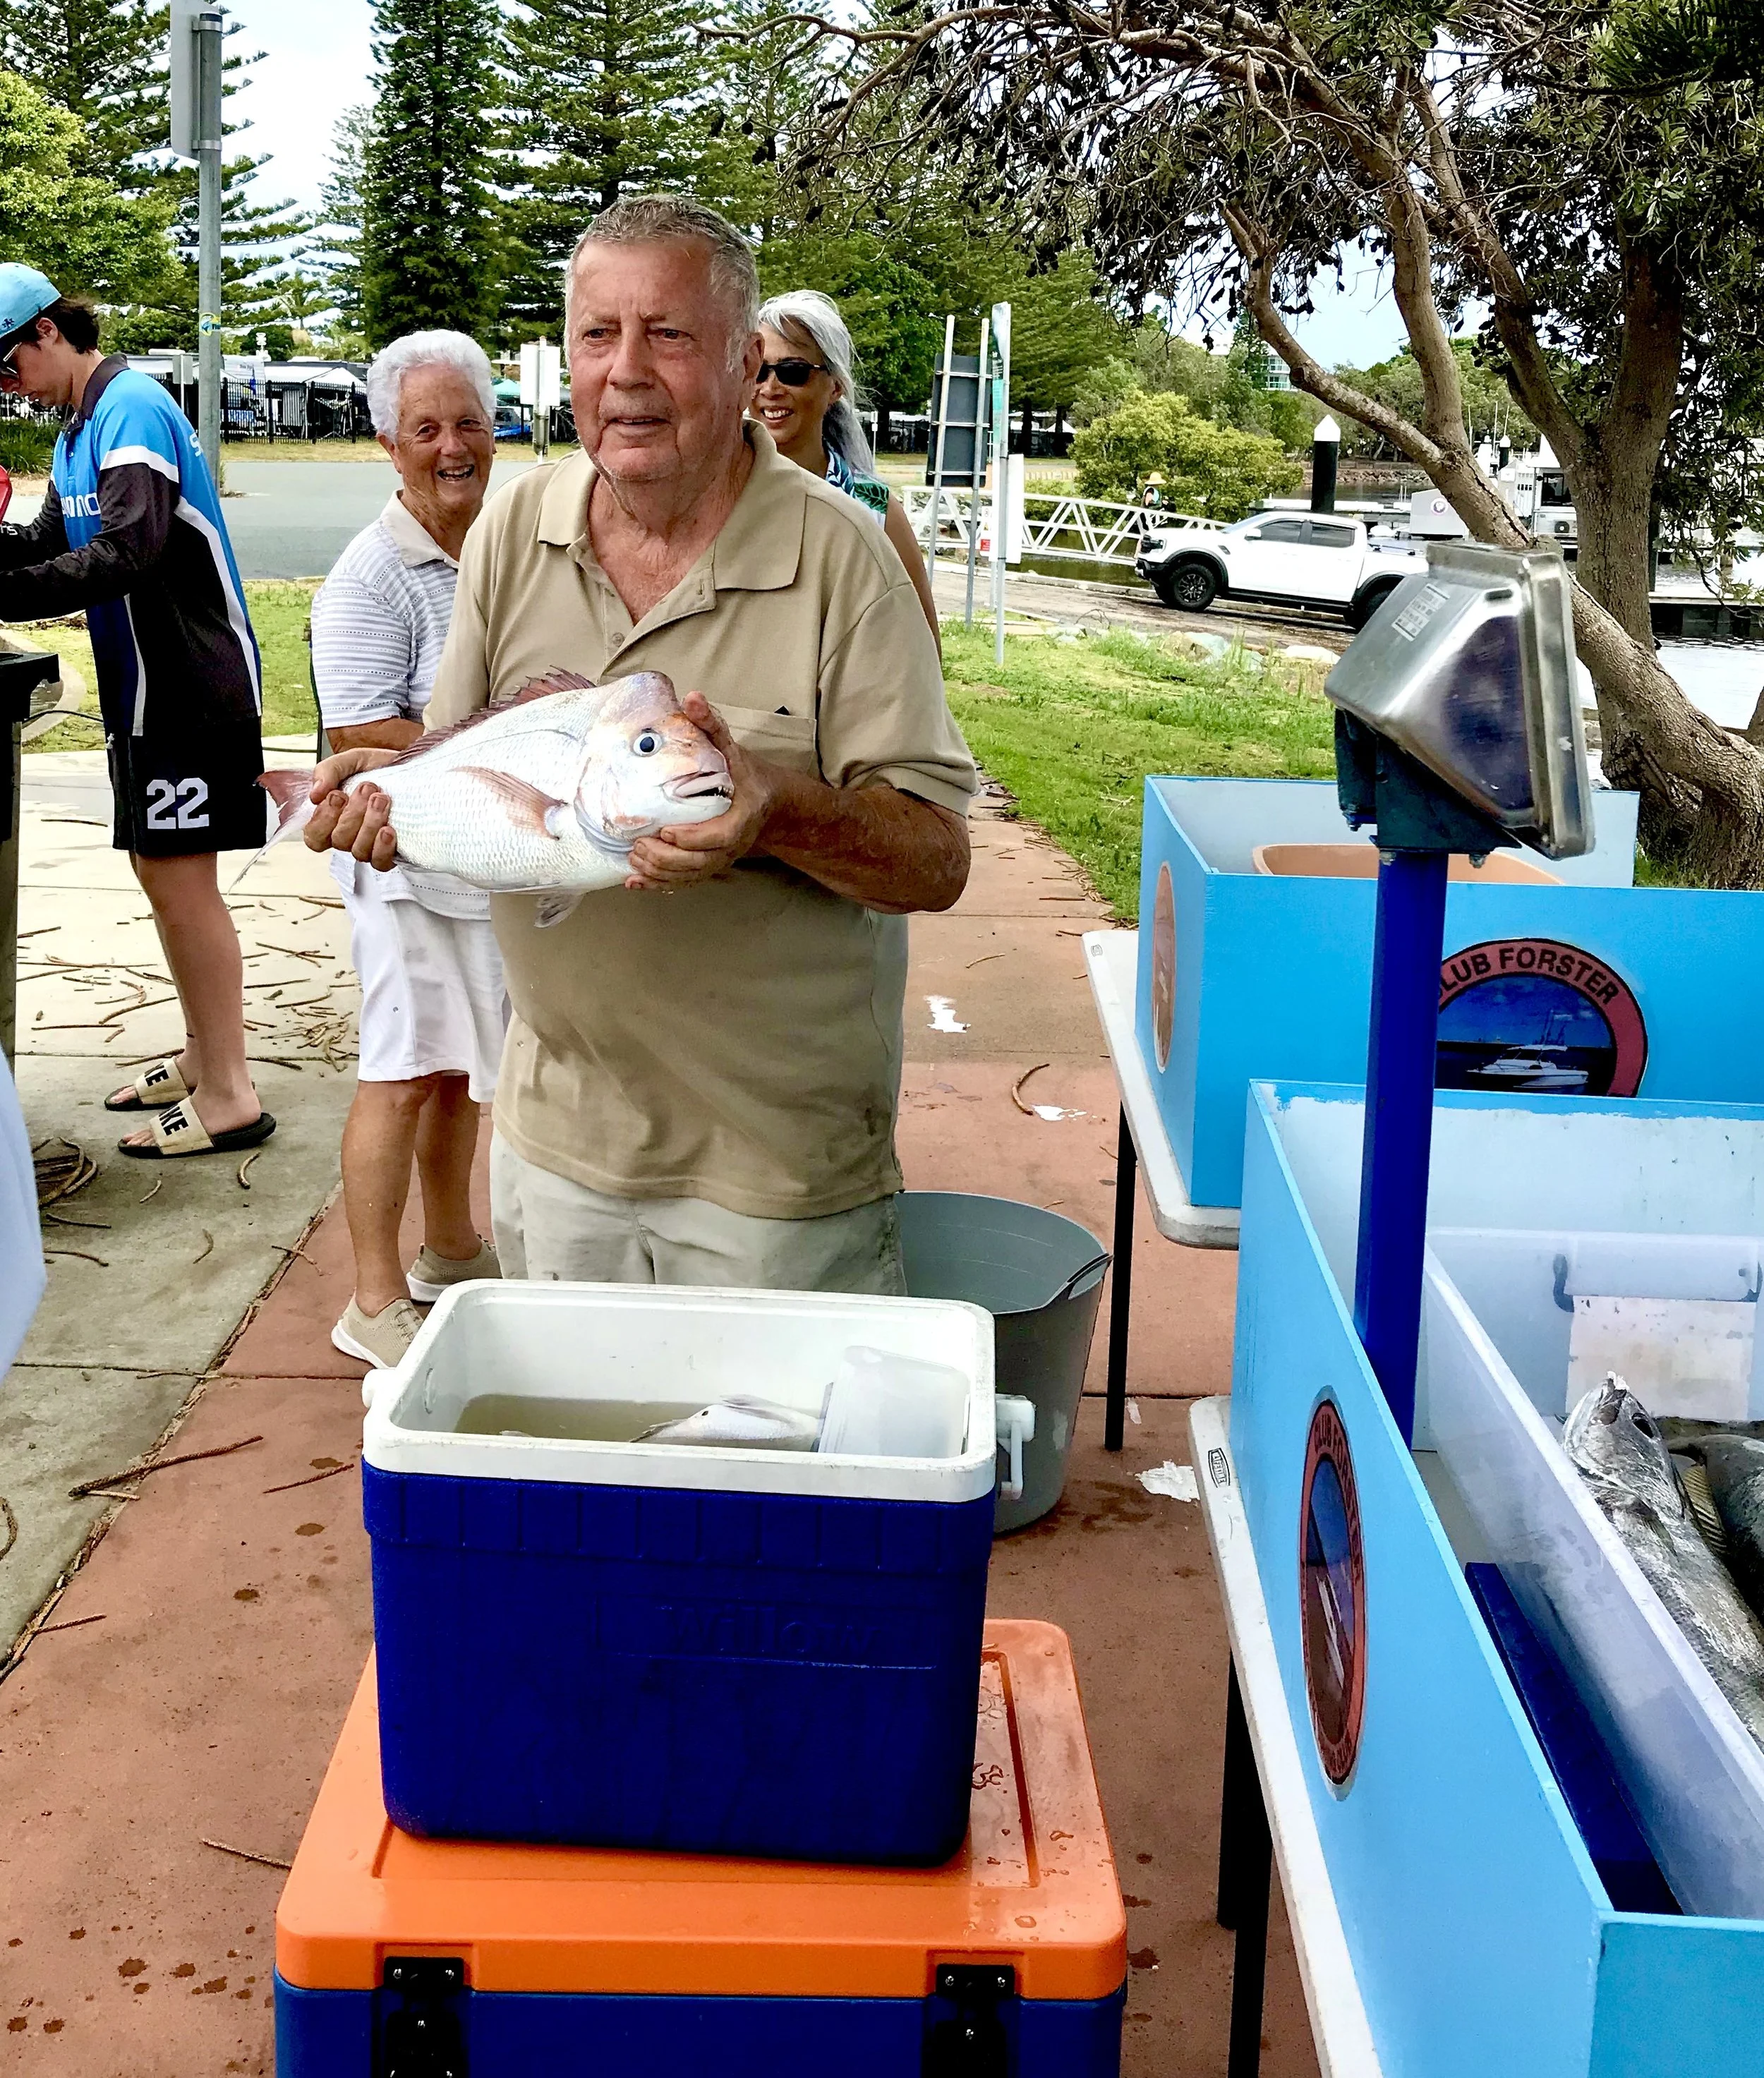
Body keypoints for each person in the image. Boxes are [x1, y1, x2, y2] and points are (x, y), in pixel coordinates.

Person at [304, 194, 976, 1295]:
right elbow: (466, 769)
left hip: (780, 1174)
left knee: (773, 1472)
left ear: (743, 357)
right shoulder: (515, 530)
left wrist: (777, 811)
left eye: (668, 334)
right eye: (596, 335)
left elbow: (936, 860)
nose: (625, 372)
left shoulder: (846, 554)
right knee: (576, 1462)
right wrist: (397, 802)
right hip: (557, 1144)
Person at [0, 265, 272, 1162]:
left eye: (4, 367)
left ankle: (232, 1091)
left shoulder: (131, 409)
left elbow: (130, 549)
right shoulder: (81, 426)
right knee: (164, 878)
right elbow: (50, 539)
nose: (7, 388)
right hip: (142, 687)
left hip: (193, 684)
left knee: (183, 884)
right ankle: (201, 1056)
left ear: (44, 331)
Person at [310, 331, 508, 1367]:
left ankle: (452, 1249)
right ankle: (374, 1300)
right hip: (400, 865)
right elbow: (354, 736)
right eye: (426, 428)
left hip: (477, 858)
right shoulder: (370, 575)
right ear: (390, 444)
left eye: (469, 422)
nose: (452, 446)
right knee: (400, 1070)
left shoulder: (502, 539)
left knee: (455, 1067)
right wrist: (498, 743)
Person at [749, 289, 941, 644]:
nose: (770, 388)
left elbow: (923, 649)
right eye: (758, 371)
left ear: (835, 387)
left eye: (794, 372)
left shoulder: (876, 511)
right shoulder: (713, 496)